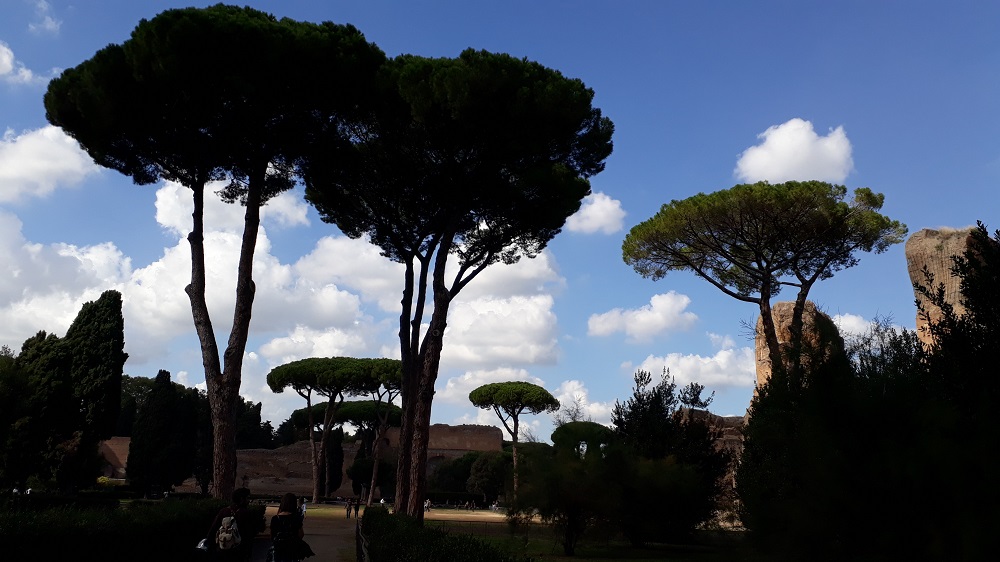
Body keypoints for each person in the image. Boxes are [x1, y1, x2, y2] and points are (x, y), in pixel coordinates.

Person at [205, 487, 254, 561]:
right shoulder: (246, 513)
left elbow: (213, 529)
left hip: (223, 547)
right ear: (241, 499)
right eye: (247, 498)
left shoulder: (224, 511)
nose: (249, 501)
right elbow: (249, 534)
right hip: (239, 551)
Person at [270, 492, 314, 562]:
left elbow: (272, 535)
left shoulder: (275, 519)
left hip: (278, 550)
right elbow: (301, 534)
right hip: (291, 551)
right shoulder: (296, 518)